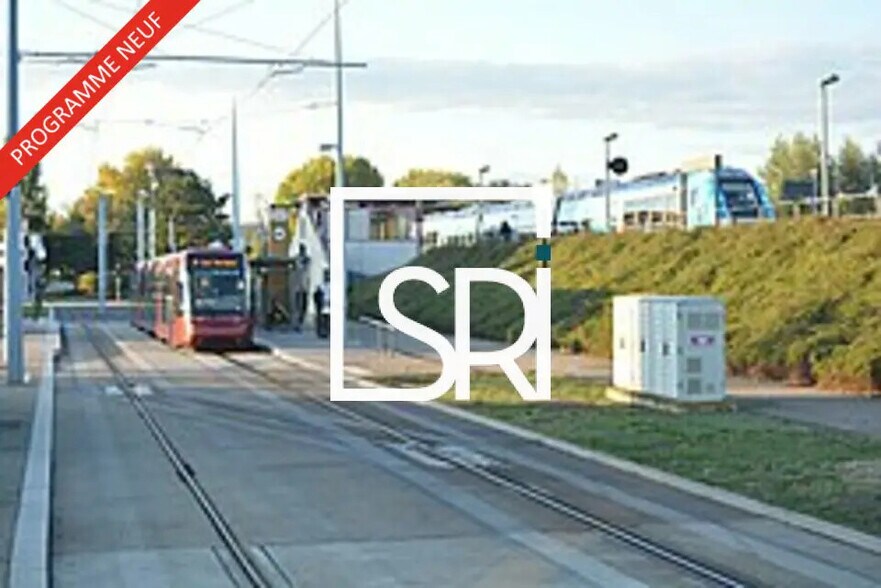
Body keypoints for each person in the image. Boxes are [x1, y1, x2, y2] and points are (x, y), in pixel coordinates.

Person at [292, 243, 311, 331]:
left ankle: (300, 322)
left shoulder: (307, 260)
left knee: (303, 306)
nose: (302, 251)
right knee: (297, 306)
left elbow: (306, 268)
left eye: (303, 249)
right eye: (301, 249)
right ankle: (297, 324)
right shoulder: (296, 259)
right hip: (298, 287)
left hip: (304, 287)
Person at [313, 266, 331, 338]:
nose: (327, 277)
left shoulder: (331, 285)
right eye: (326, 275)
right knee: (321, 319)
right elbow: (316, 296)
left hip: (328, 303)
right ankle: (321, 332)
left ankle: (327, 331)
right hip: (322, 304)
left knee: (327, 319)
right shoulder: (321, 286)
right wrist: (319, 303)